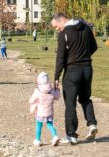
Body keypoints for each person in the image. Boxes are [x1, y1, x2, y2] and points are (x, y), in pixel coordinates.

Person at [51, 12, 98, 144]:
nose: (57, 29)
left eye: (56, 26)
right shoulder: (85, 27)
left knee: (70, 104)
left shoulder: (63, 34)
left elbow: (60, 58)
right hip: (87, 69)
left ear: (61, 20)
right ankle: (92, 124)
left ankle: (71, 135)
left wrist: (56, 77)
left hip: (72, 72)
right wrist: (84, 55)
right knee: (85, 98)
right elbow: (93, 47)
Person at [29, 72, 60, 146]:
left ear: (38, 81)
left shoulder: (38, 91)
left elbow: (31, 101)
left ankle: (37, 140)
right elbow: (57, 96)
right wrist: (57, 89)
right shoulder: (51, 90)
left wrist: (34, 101)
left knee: (39, 126)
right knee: (50, 125)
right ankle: (55, 136)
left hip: (40, 113)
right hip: (49, 112)